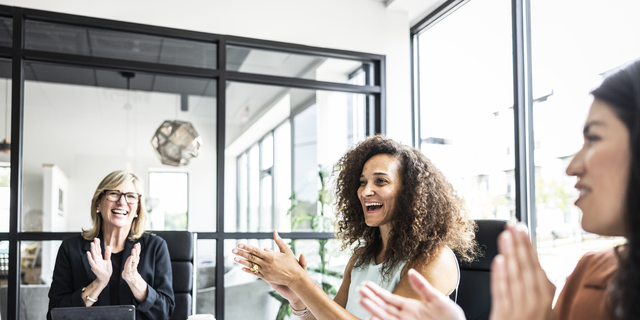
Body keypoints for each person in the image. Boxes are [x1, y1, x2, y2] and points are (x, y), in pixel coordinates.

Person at [358, 59, 640, 320]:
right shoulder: (588, 274)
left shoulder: (433, 259)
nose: (572, 167)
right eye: (362, 183)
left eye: (594, 138)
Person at [232, 135, 478, 319]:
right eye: (362, 182)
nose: (365, 191)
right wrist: (296, 298)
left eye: (380, 181)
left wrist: (299, 280)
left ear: (411, 193)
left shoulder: (433, 259)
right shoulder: (363, 257)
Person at [47, 171, 174, 320]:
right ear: (98, 204)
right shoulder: (71, 248)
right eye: (114, 194)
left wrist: (134, 279)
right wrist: (98, 284)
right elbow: (55, 314)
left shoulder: (156, 247)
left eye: (131, 196)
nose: (122, 202)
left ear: (137, 210)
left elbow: (165, 312)